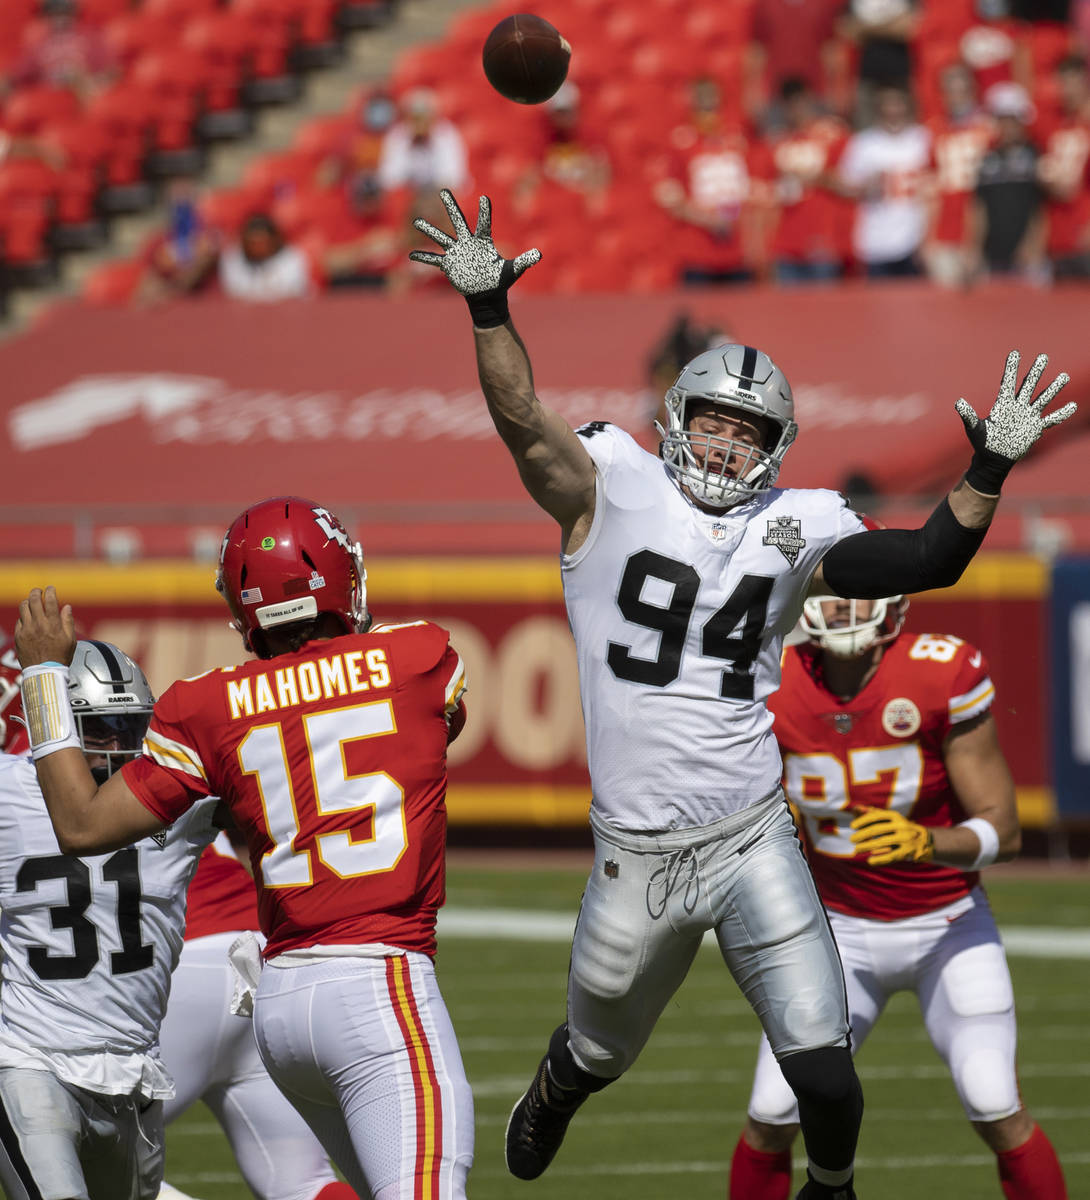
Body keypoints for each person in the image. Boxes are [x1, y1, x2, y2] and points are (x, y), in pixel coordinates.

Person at [406, 186, 1075, 1200]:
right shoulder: (614, 483)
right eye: (711, 425)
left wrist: (989, 462)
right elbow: (523, 426)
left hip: (752, 834)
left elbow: (930, 557)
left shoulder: (795, 522)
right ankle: (561, 1079)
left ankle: (832, 1189)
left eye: (745, 434)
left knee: (826, 1077)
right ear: (676, 421)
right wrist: (489, 310)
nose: (724, 447)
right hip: (637, 848)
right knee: (600, 1048)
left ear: (776, 447)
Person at [14, 497, 475, 1200]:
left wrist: (44, 676)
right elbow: (430, 713)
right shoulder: (418, 656)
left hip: (284, 1007)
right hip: (379, 980)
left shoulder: (207, 707)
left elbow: (80, 826)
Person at [728, 594, 1069, 1200]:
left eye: (857, 593)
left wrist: (925, 842)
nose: (841, 609)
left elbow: (1006, 831)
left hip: (949, 926)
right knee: (771, 1113)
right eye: (831, 592)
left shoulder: (941, 672)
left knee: (995, 1103)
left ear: (893, 603)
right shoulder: (769, 678)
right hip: (834, 935)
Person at [0, 640, 221, 1200]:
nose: (121, 745)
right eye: (101, 729)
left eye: (131, 725)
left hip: (136, 1072)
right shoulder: (9, 789)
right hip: (30, 1062)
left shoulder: (182, 800)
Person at [159, 837, 357, 1200]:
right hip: (258, 951)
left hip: (179, 958)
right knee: (302, 1183)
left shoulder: (52, 785)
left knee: (72, 1160)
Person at [835, 83, 933, 278]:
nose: (893, 110)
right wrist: (863, 188)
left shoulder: (922, 138)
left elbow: (936, 184)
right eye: (888, 105)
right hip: (875, 240)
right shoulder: (864, 143)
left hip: (914, 240)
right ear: (878, 109)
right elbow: (843, 184)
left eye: (898, 104)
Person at [967, 82, 1049, 283]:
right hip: (992, 257)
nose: (1008, 127)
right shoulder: (988, 160)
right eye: (1003, 120)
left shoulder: (1036, 156)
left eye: (1013, 120)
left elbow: (1041, 209)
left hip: (1027, 258)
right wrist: (974, 250)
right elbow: (979, 209)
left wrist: (1034, 245)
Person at [218, 212, 312, 302]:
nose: (257, 248)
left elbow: (293, 291)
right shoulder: (232, 260)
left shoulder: (292, 259)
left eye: (262, 243)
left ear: (274, 240)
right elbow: (234, 292)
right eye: (253, 243)